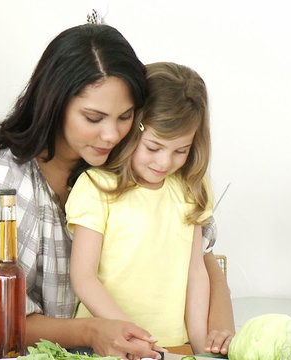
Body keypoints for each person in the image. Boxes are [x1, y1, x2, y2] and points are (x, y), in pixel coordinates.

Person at [0, 23, 233, 360]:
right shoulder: (7, 175)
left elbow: (198, 251)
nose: (111, 135)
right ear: (55, 104)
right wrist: (93, 330)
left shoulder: (128, 161)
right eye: (93, 117)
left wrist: (219, 331)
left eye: (125, 116)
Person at [67, 62, 217, 354]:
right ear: (132, 130)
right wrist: (140, 342)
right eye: (153, 147)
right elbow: (83, 277)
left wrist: (200, 350)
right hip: (107, 348)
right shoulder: (96, 186)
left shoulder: (190, 188)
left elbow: (196, 272)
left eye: (180, 151)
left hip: (173, 346)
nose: (164, 163)